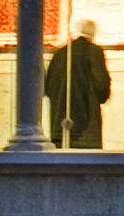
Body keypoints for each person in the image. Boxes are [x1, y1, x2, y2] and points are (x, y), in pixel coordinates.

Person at [43, 15, 113, 149]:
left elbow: (48, 87)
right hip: (86, 130)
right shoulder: (94, 52)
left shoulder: (60, 54)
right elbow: (101, 87)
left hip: (60, 127)